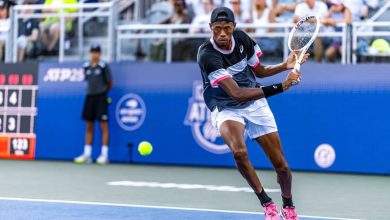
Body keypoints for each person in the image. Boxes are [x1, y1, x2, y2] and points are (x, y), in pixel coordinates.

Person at [197, 7, 308, 220]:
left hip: (256, 104)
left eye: (226, 28)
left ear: (234, 28)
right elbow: (237, 94)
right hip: (225, 106)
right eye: (217, 29)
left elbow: (259, 71)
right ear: (210, 28)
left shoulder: (242, 40)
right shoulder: (207, 54)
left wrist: (285, 65)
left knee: (282, 167)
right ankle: (267, 203)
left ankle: (288, 204)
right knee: (239, 152)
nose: (222, 34)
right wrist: (282, 87)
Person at [74, 44, 113, 165]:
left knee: (104, 126)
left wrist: (104, 93)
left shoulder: (103, 66)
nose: (94, 54)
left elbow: (110, 82)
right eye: (93, 52)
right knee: (89, 126)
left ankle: (104, 155)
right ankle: (87, 154)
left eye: (97, 52)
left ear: (100, 53)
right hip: (89, 98)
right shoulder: (86, 66)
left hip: (101, 98)